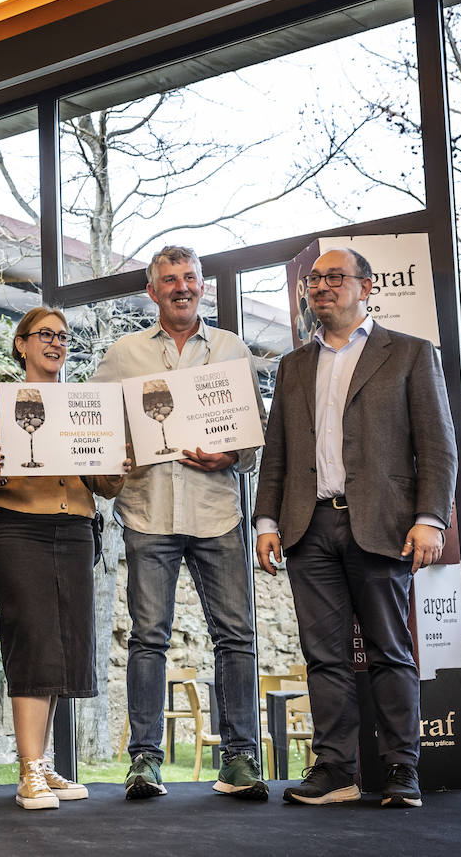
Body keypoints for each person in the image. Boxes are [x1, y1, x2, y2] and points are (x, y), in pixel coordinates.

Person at [254, 247, 456, 809]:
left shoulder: (411, 354)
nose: (322, 286)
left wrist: (429, 518)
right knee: (324, 657)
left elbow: (438, 448)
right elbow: (277, 456)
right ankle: (336, 770)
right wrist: (266, 520)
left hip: (383, 526)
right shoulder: (294, 365)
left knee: (391, 651)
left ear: (366, 288)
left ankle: (400, 770)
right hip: (308, 527)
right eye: (315, 279)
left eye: (335, 277)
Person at [90, 245, 269, 801]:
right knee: (147, 639)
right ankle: (144, 760)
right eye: (170, 280)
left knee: (236, 637)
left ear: (201, 286)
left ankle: (240, 759)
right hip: (148, 513)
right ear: (153, 291)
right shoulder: (123, 355)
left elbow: (254, 437)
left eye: (190, 277)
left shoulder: (231, 350)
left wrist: (231, 457)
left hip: (217, 514)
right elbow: (91, 426)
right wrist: (113, 451)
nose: (182, 287)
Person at [0, 307, 126, 810]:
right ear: (21, 345)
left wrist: (113, 463)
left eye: (63, 336)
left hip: (76, 530)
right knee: (32, 640)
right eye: (45, 335)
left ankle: (43, 763)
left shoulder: (86, 407)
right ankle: (28, 770)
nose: (56, 343)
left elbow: (108, 485)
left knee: (59, 645)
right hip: (20, 531)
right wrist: (0, 471)